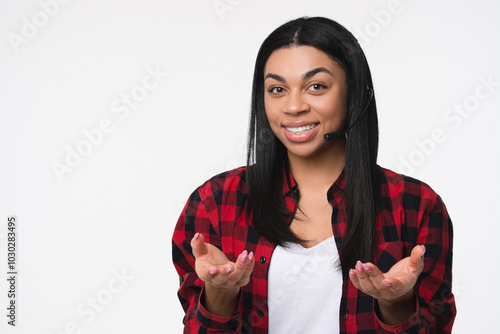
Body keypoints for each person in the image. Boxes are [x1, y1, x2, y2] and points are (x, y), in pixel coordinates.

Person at [172, 16, 456, 333]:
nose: (293, 107)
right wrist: (220, 294)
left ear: (353, 93)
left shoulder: (417, 206)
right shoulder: (213, 202)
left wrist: (396, 303)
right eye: (277, 89)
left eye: (316, 86)